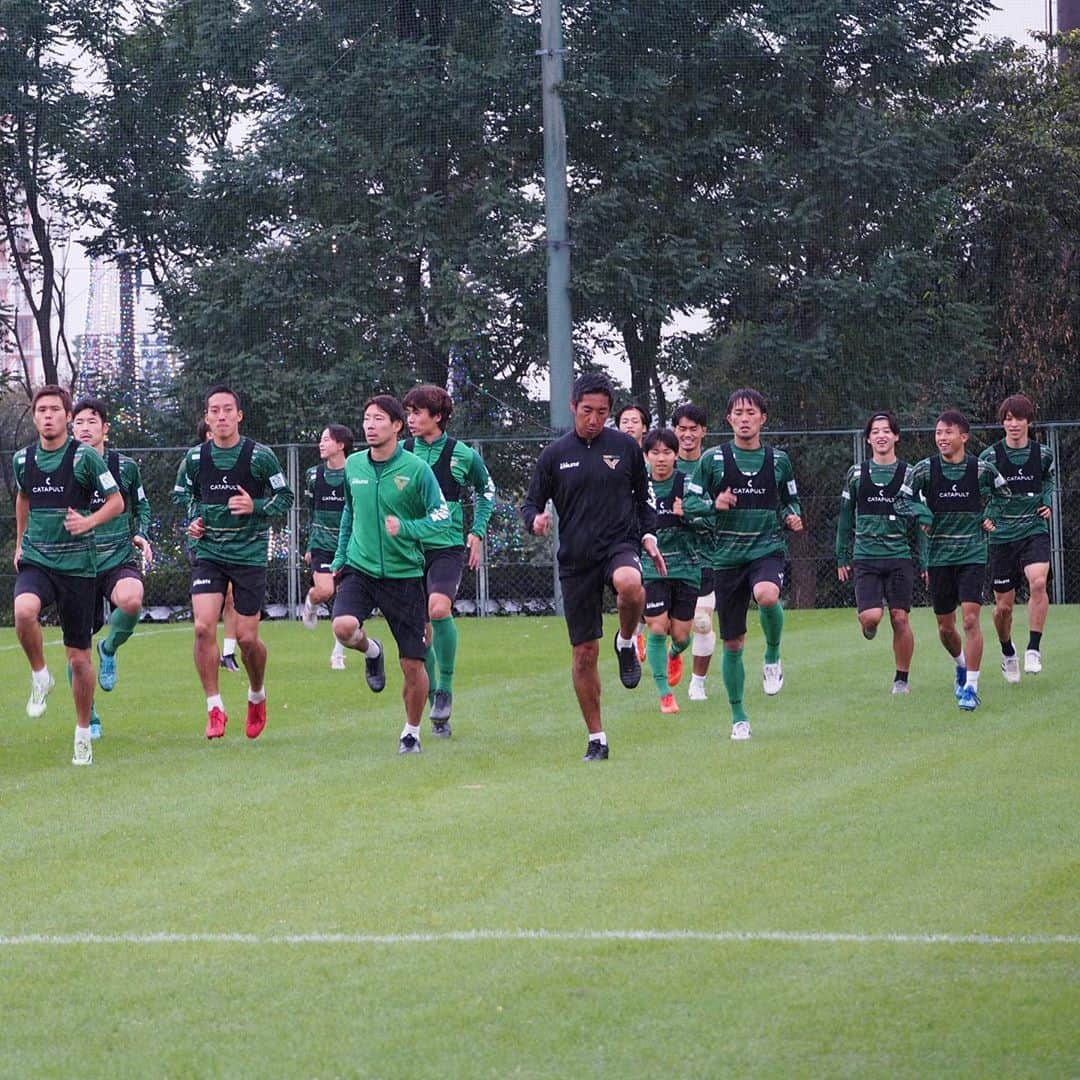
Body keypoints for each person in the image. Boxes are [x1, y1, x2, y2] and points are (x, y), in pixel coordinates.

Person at [521, 372, 665, 761]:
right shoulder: (554, 455)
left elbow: (645, 498)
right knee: (584, 653)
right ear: (573, 408)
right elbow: (530, 504)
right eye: (587, 411)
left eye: (603, 412)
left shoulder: (625, 448)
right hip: (576, 559)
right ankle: (597, 738)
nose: (594, 419)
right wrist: (535, 520)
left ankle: (624, 640)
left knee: (631, 584)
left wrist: (648, 536)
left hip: (619, 545)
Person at [330, 394, 451, 754]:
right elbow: (348, 515)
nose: (370, 425)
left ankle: (411, 731)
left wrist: (409, 528)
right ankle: (371, 651)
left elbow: (441, 516)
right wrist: (339, 558)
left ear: (397, 426)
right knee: (342, 626)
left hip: (404, 575)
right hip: (360, 568)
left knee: (413, 664)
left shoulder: (416, 469)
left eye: (379, 418)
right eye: (367, 418)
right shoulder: (352, 466)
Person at [173, 385, 294, 739]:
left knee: (245, 639)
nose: (221, 416)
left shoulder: (260, 456)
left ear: (239, 415)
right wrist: (193, 520)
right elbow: (182, 496)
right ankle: (215, 708)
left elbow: (284, 497)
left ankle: (256, 694)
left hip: (249, 555)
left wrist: (254, 506)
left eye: (228, 410)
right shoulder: (195, 458)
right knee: (201, 627)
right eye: (215, 410)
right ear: (207, 418)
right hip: (209, 553)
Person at [12, 384, 124, 765]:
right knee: (24, 611)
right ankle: (40, 675)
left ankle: (82, 733)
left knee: (79, 659)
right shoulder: (22, 460)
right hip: (38, 559)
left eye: (54, 410)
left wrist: (88, 521)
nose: (47, 415)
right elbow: (24, 498)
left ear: (66, 416)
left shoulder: (85, 459)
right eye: (41, 410)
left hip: (78, 567)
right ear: (34, 416)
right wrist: (19, 543)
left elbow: (117, 502)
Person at [685, 388, 802, 740]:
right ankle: (739, 718)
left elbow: (791, 502)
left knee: (767, 595)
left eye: (751, 412)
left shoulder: (778, 461)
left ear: (763, 418)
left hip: (766, 548)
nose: (745, 418)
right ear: (729, 420)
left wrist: (793, 517)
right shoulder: (713, 460)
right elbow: (689, 506)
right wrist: (713, 505)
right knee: (732, 643)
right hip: (727, 557)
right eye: (738, 413)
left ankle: (772, 655)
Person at [894, 409, 1008, 712]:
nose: (942, 438)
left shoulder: (981, 468)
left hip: (972, 553)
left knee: (971, 620)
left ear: (964, 437)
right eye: (938, 433)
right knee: (946, 628)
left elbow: (1004, 494)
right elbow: (901, 500)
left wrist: (990, 516)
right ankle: (960, 664)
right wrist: (923, 513)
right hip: (939, 557)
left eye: (948, 432)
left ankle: (971, 687)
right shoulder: (924, 470)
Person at [402, 385, 497, 736]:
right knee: (417, 632)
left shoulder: (462, 455)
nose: (410, 419)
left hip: (446, 546)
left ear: (437, 416)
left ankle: (446, 689)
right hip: (408, 551)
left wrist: (477, 531)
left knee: (439, 610)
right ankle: (436, 711)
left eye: (417, 412)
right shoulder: (400, 453)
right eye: (407, 412)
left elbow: (487, 491)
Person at [72, 397, 153, 739]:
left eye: (92, 421)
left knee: (132, 598)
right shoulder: (62, 468)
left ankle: (110, 649)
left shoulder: (125, 467)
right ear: (70, 428)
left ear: (105, 427)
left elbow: (142, 506)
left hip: (117, 556)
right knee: (77, 648)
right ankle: (88, 716)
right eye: (79, 422)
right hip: (76, 563)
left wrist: (141, 533)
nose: (85, 427)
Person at [835, 411, 923, 695]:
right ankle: (869, 625)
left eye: (887, 430)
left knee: (900, 618)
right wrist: (841, 556)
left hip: (899, 556)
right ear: (869, 439)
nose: (881, 435)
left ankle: (901, 679)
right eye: (876, 431)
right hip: (866, 557)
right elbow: (846, 518)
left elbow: (922, 520)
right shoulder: (857, 474)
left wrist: (925, 560)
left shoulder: (910, 474)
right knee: (871, 617)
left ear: (896, 436)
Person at [980, 394, 1054, 681]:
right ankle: (1007, 651)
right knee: (1003, 608)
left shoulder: (1043, 453)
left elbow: (1047, 479)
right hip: (1002, 537)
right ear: (1002, 423)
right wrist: (985, 517)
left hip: (1033, 530)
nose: (1013, 424)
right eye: (1008, 419)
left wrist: (1046, 500)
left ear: (1029, 422)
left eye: (1018, 418)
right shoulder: (990, 456)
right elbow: (980, 490)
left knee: (1038, 583)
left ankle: (1033, 648)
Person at [641, 427, 706, 714]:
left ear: (676, 454)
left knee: (681, 636)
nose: (661, 458)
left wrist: (689, 514)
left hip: (687, 569)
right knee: (657, 627)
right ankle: (665, 694)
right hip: (652, 569)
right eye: (655, 453)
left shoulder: (689, 486)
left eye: (667, 452)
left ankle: (674, 654)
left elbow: (709, 526)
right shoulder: (639, 488)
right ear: (646, 456)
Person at [671, 401, 716, 701]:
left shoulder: (713, 466)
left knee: (702, 623)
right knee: (671, 627)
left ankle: (698, 682)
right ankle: (672, 650)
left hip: (706, 555)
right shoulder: (662, 465)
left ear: (703, 432)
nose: (687, 435)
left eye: (693, 429)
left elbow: (717, 512)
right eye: (682, 429)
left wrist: (689, 512)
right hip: (669, 556)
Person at [301, 424, 355, 670]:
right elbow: (311, 512)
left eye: (326, 439)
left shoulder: (355, 474)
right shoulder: (313, 475)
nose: (321, 444)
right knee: (325, 591)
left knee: (346, 602)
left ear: (340, 445)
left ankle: (338, 654)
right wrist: (311, 544)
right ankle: (311, 603)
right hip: (322, 544)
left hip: (350, 544)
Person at [196, 420, 241, 672]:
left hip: (235, 544)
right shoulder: (196, 467)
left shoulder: (238, 464)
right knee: (208, 612)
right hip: (205, 544)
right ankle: (209, 651)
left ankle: (228, 652)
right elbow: (185, 500)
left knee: (232, 597)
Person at [615, 401, 651, 661]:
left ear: (645, 428)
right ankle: (635, 634)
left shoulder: (658, 458)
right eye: (624, 421)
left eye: (634, 421)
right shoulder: (611, 460)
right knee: (637, 584)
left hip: (653, 533)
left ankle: (642, 630)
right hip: (625, 536)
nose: (629, 425)